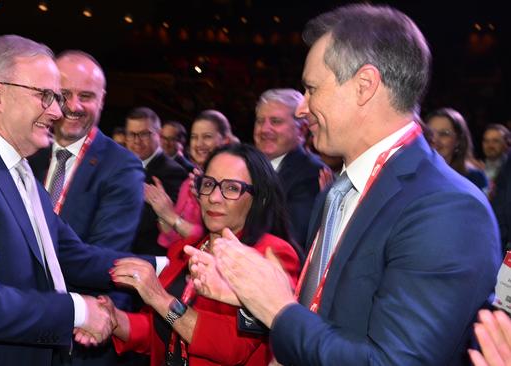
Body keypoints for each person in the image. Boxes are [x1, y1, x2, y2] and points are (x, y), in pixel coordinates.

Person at [188, 4, 500, 365]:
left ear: (364, 86)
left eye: (311, 88)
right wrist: (254, 298)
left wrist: (278, 308)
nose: (302, 108)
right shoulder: (336, 192)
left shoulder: (447, 208)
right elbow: (328, 319)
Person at [0, 34, 156, 366]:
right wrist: (77, 310)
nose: (57, 110)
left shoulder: (16, 169)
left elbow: (71, 256)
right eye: (46, 96)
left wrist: (166, 269)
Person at [106, 144, 301, 366]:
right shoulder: (186, 248)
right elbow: (159, 329)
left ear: (260, 198)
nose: (214, 197)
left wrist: (160, 298)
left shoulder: (270, 254)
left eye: (232, 188)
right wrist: (114, 320)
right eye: (208, 184)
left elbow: (234, 347)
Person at [28, 50, 145, 365]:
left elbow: (101, 257)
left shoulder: (122, 167)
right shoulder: (26, 154)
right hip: (21, 330)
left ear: (102, 99)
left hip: (81, 338)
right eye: (64, 94)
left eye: (87, 96)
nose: (74, 106)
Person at [146, 110, 231, 249]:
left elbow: (213, 237)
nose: (199, 144)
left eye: (207, 137)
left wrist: (171, 216)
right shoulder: (188, 183)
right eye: (194, 137)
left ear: (225, 141)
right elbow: (170, 238)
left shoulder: (230, 186)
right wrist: (162, 210)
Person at [253, 88, 327, 247]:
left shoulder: (311, 174)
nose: (264, 129)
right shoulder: (247, 167)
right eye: (260, 121)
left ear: (301, 130)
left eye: (275, 121)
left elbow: (291, 242)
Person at [126, 107, 187, 256]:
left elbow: (154, 222)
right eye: (132, 134)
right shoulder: (122, 165)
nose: (136, 141)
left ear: (158, 135)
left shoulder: (173, 172)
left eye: (144, 134)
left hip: (150, 258)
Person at [426, 107, 488, 191]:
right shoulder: (413, 175)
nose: (434, 140)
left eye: (444, 134)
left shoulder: (474, 178)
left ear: (458, 140)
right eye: (430, 133)